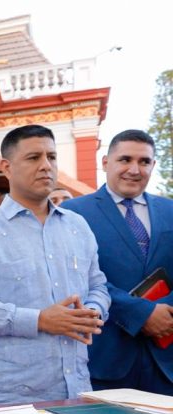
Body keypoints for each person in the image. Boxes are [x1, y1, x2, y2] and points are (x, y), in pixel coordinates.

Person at [0, 125, 109, 405]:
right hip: (8, 398)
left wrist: (92, 311)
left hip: (76, 389)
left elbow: (98, 286)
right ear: (7, 167)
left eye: (52, 157)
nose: (46, 165)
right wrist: (39, 320)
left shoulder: (78, 227)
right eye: (34, 157)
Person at [63, 130, 173, 394]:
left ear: (153, 165)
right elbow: (75, 276)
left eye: (144, 161)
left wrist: (166, 312)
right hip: (106, 356)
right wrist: (142, 314)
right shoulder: (73, 213)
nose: (134, 170)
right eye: (125, 160)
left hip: (166, 357)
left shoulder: (170, 210)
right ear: (105, 162)